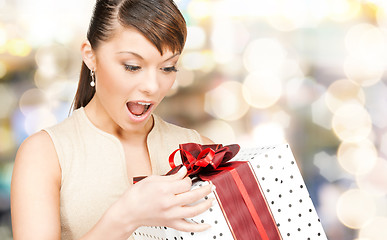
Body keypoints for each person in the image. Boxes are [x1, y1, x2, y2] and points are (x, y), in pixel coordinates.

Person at [10, 0, 215, 239]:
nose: (152, 86)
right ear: (90, 56)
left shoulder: (202, 151)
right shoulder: (45, 154)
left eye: (168, 68)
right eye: (132, 66)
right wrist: (126, 216)